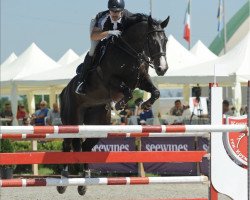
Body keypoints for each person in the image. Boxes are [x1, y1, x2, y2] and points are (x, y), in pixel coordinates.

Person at [75, 0, 133, 94]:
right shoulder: (103, 18)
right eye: (112, 11)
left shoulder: (129, 17)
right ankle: (81, 81)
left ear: (122, 11)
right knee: (93, 49)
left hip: (118, 38)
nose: (114, 14)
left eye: (117, 11)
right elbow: (94, 36)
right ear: (109, 10)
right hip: (100, 31)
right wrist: (109, 32)